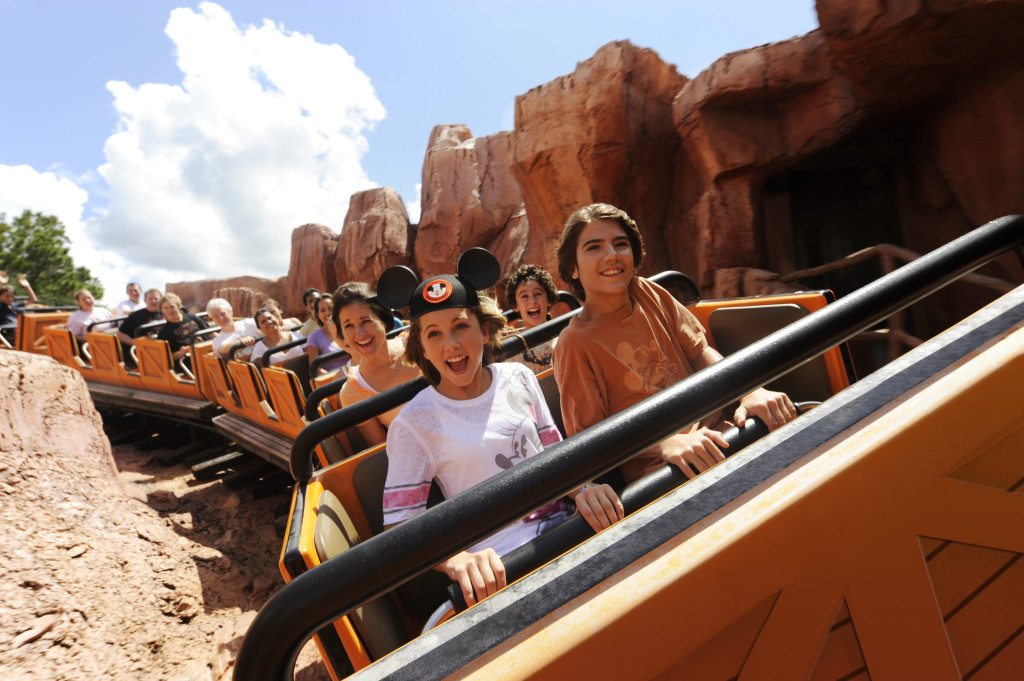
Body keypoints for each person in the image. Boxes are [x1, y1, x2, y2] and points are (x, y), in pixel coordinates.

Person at [378, 249, 624, 607]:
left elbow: (553, 452)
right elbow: (399, 526)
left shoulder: (520, 376)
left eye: (461, 326)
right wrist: (458, 561)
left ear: (485, 329)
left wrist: (584, 488)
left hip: (569, 531)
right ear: (423, 350)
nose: (451, 344)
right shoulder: (414, 423)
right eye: (434, 335)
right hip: (503, 568)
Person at [552, 203, 798, 484]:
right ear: (573, 268)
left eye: (620, 244)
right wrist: (664, 444)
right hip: (665, 472)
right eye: (594, 247)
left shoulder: (647, 292)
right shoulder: (574, 343)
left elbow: (700, 352)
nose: (611, 255)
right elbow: (591, 440)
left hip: (725, 431)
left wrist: (749, 391)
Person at [334, 282, 420, 447]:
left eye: (366, 321)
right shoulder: (353, 392)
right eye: (348, 326)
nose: (359, 333)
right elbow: (386, 450)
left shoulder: (417, 344)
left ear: (383, 319)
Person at [503, 264, 560, 373]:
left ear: (549, 299)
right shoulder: (511, 347)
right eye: (524, 296)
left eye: (537, 294)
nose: (532, 301)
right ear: (515, 305)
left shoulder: (562, 339)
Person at [156, 293, 208, 371]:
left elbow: (210, 334)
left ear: (179, 306)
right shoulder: (164, 332)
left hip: (206, 351)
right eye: (166, 308)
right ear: (162, 310)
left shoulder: (193, 317)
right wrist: (180, 353)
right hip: (189, 362)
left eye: (172, 307)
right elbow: (167, 357)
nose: (169, 310)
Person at [304, 293, 348, 374]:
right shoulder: (314, 338)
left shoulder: (348, 329)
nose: (328, 313)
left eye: (330, 308)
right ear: (318, 315)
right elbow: (315, 369)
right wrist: (337, 378)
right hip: (334, 381)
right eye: (323, 310)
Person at [117, 288, 163, 360]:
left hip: (162, 347)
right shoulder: (136, 316)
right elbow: (121, 334)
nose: (153, 301)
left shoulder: (167, 313)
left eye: (156, 299)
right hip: (144, 352)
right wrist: (136, 344)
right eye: (150, 299)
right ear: (145, 301)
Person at [0, 272, 38, 342]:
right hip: (9, 331)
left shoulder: (14, 305)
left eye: (12, 296)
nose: (10, 298)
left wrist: (27, 286)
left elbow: (33, 300)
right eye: (7, 296)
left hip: (20, 328)